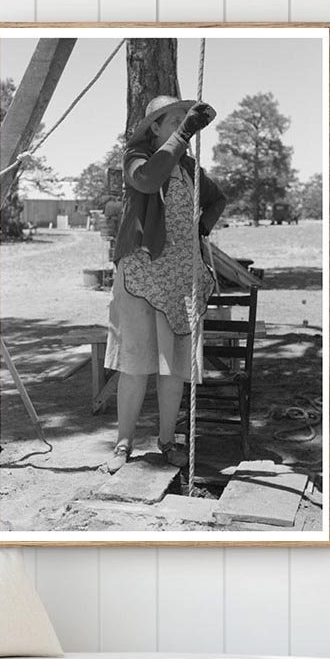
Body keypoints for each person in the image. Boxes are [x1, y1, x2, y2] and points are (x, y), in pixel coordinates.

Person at [104, 94, 228, 473]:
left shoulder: (189, 169)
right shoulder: (135, 158)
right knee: (134, 363)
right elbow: (148, 179)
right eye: (174, 120)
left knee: (173, 367)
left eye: (185, 121)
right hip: (140, 275)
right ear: (155, 128)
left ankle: (166, 441)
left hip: (178, 280)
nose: (181, 126)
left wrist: (199, 230)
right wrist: (185, 133)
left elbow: (217, 200)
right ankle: (123, 443)